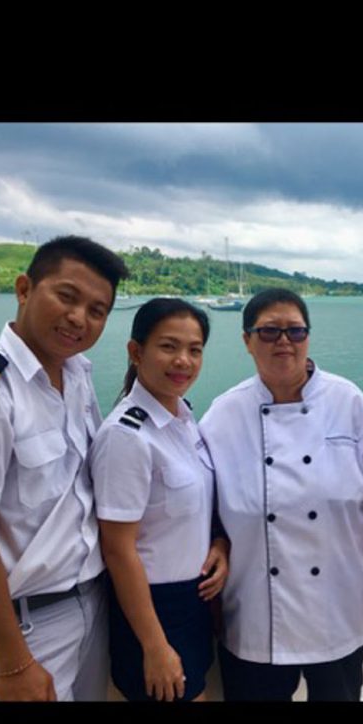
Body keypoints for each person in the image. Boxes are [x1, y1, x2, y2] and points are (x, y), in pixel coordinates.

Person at [199, 287, 363, 701]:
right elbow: (202, 498)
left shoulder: (348, 401)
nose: (284, 342)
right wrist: (218, 540)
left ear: (308, 337)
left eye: (295, 332)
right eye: (270, 332)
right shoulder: (222, 414)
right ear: (246, 340)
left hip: (339, 601)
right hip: (256, 608)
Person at [0, 235, 129, 701]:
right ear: (24, 289)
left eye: (97, 309)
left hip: (93, 603)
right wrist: (14, 661)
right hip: (27, 624)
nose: (79, 318)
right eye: (67, 296)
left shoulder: (78, 373)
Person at [90, 298, 229, 702]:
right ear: (136, 352)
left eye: (194, 349)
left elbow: (200, 501)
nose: (183, 360)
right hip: (152, 610)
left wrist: (219, 544)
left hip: (193, 601)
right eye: (168, 346)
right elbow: (118, 550)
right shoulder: (127, 436)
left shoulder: (183, 419)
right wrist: (154, 645)